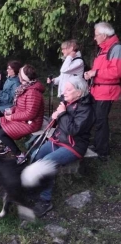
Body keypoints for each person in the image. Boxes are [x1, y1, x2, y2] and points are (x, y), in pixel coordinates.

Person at [31, 75, 95, 217]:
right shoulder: (68, 103)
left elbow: (73, 130)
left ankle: (45, 200)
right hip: (59, 140)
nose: (63, 92)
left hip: (74, 146)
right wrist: (55, 117)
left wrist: (61, 114)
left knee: (47, 162)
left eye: (68, 90)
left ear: (79, 92)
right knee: (34, 155)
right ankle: (36, 187)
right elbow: (60, 123)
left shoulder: (86, 109)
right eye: (64, 89)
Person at [84, 22, 121, 162]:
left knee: (101, 120)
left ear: (104, 35)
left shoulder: (116, 49)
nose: (94, 38)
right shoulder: (103, 49)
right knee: (96, 119)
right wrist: (90, 75)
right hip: (97, 90)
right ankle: (98, 145)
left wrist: (95, 73)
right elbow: (100, 70)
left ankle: (102, 152)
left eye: (96, 35)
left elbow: (116, 72)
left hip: (107, 91)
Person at [0, 65, 45, 161]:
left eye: (20, 74)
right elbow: (19, 105)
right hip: (23, 119)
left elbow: (30, 114)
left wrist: (12, 117)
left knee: (0, 133)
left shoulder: (33, 92)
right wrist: (11, 110)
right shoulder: (25, 87)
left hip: (31, 123)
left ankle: (20, 155)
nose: (18, 76)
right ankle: (9, 145)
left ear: (24, 77)